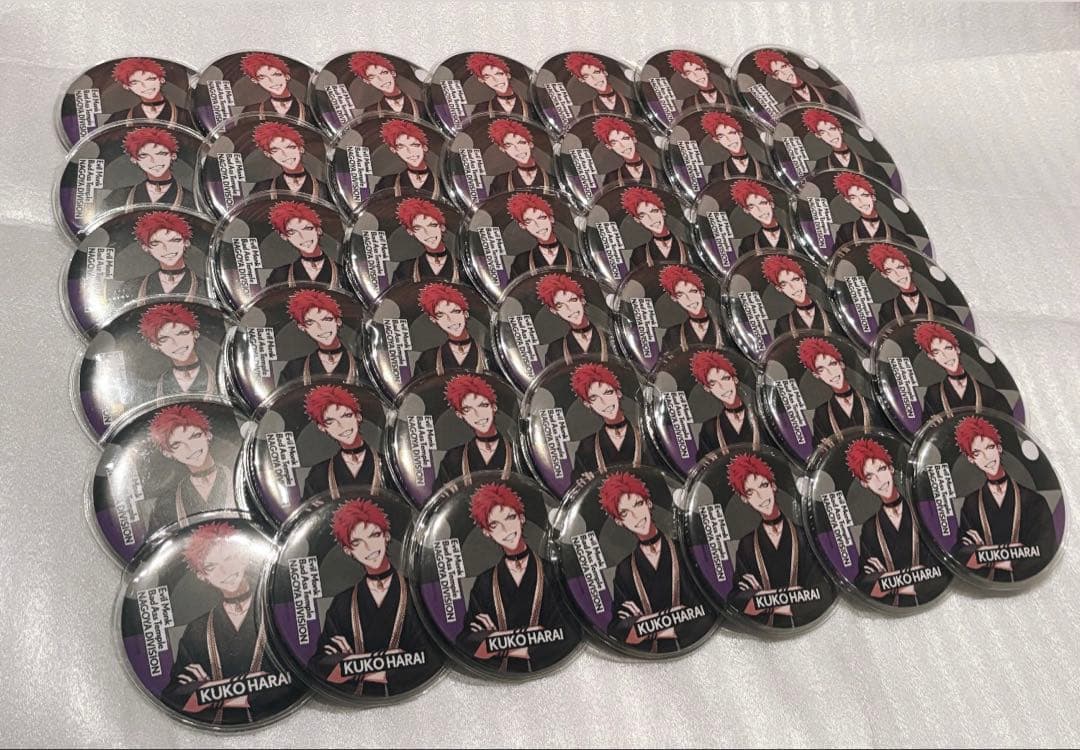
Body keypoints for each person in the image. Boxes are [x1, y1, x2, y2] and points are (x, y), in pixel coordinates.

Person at [161, 522, 297, 724]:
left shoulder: (280, 610)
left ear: (244, 556)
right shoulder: (198, 629)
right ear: (202, 576)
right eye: (211, 567)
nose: (224, 571)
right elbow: (175, 696)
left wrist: (212, 692)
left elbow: (297, 678)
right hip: (213, 733)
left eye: (229, 558)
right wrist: (248, 691)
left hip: (285, 724)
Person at [310, 499, 437, 695]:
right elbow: (320, 665)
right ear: (348, 550)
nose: (369, 547)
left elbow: (431, 657)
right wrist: (387, 665)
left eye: (374, 535)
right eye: (357, 543)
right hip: (356, 704)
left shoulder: (417, 592)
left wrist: (355, 666)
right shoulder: (342, 603)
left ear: (386, 536)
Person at [456, 483, 577, 672]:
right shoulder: (485, 582)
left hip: (554, 670)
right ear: (487, 532)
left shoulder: (553, 572)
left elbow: (568, 633)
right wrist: (527, 640)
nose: (505, 529)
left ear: (521, 518)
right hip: (499, 676)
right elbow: (467, 642)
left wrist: (498, 643)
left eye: (510, 517)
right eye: (494, 525)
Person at [600, 472, 709, 653]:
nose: (636, 516)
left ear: (649, 503)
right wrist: (669, 625)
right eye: (625, 513)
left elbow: (705, 608)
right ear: (619, 521)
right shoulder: (625, 569)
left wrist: (646, 626)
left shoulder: (684, 550)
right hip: (650, 656)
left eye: (638, 504)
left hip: (700, 648)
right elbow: (619, 629)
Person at [727, 453, 831, 628]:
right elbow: (738, 599)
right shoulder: (747, 545)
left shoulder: (804, 535)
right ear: (745, 499)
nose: (761, 496)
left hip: (810, 625)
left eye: (763, 485)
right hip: (766, 630)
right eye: (751, 492)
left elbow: (822, 591)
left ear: (773, 485)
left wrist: (766, 601)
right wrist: (789, 599)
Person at [952, 416, 1058, 583]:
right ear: (971, 459)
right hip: (985, 585)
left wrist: (986, 554)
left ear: (999, 448)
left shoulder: (1034, 501)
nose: (987, 457)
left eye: (990, 447)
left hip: (1027, 580)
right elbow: (963, 553)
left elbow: (1044, 550)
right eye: (977, 453)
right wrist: (1006, 556)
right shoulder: (971, 503)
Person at [846, 438, 948, 606]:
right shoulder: (870, 528)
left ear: (891, 468)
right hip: (893, 607)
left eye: (882, 469)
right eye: (870, 476)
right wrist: (911, 581)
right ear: (864, 483)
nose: (879, 480)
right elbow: (865, 583)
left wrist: (889, 581)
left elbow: (942, 568)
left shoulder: (922, 511)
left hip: (934, 602)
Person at [146, 404, 238, 531]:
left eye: (195, 436)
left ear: (208, 435)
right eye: (177, 445)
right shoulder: (166, 504)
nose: (190, 448)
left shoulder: (242, 475)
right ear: (167, 453)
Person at [301, 385, 383, 501]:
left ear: (358, 416)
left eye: (346, 416)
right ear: (322, 427)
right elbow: (308, 510)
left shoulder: (388, 466)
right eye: (330, 422)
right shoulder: (319, 474)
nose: (342, 426)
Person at [914, 322, 1011, 419]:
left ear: (957, 349)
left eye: (948, 348)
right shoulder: (933, 393)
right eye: (937, 352)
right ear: (931, 357)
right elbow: (926, 423)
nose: (945, 356)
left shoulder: (990, 394)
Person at [436, 374, 513, 486]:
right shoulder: (454, 458)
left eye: (483, 405)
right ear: (460, 415)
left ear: (494, 407)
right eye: (467, 409)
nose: (478, 414)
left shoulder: (518, 453)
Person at [571, 362, 645, 474]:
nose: (604, 402)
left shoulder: (645, 435)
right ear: (587, 404)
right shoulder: (587, 445)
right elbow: (577, 479)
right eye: (594, 398)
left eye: (608, 392)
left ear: (618, 393)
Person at [797, 337, 873, 444]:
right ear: (817, 375)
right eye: (821, 370)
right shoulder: (821, 414)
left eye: (832, 364)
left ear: (841, 364)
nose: (830, 373)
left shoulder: (871, 402)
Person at [867, 243, 958, 329]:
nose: (898, 274)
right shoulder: (887, 309)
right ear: (884, 275)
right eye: (889, 271)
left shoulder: (941, 310)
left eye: (900, 267)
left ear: (909, 268)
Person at [278, 289, 359, 385]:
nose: (321, 328)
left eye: (326, 319)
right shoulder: (294, 369)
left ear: (338, 321)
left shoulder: (363, 367)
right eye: (311, 322)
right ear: (302, 327)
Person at [690, 349, 759, 460]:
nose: (722, 387)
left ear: (735, 380)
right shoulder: (710, 428)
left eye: (725, 378)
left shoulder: (760, 415)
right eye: (713, 383)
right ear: (707, 389)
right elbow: (702, 465)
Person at [139, 302, 217, 397]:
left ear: (195, 334)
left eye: (182, 333)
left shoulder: (219, 373)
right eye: (164, 339)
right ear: (155, 346)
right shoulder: (156, 385)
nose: (177, 343)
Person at [126, 210, 206, 301]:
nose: (167, 249)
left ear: (186, 242)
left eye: (175, 240)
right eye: (156, 243)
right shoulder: (133, 286)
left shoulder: (205, 287)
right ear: (146, 248)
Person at [414, 283, 488, 375]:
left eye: (455, 311)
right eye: (441, 315)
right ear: (434, 320)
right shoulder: (428, 359)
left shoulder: (490, 358)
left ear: (465, 314)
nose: (450, 319)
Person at [265, 201, 343, 288]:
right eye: (292, 232)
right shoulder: (280, 275)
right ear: (284, 237)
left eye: (307, 228)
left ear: (318, 230)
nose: (302, 237)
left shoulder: (343, 273)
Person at [112, 127, 194, 210]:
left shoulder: (191, 199)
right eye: (144, 155)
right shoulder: (120, 196)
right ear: (134, 160)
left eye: (161, 153)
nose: (154, 161)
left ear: (173, 156)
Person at [536, 273, 608, 366]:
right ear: (554, 311)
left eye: (572, 300)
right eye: (560, 306)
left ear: (582, 300)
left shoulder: (610, 338)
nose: (569, 309)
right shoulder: (556, 349)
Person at [801, 109, 888, 183]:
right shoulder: (822, 164)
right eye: (823, 132)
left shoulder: (872, 167)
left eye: (832, 129)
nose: (830, 135)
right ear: (818, 136)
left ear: (840, 129)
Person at [250, 121, 327, 202]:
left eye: (290, 147)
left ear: (301, 148)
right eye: (275, 150)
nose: (285, 154)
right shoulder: (263, 187)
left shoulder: (323, 188)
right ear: (268, 154)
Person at [832, 172, 911, 248]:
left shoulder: (898, 236)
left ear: (873, 197)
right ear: (848, 200)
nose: (860, 201)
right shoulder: (846, 231)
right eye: (853, 198)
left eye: (865, 195)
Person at [392, 197, 461, 283]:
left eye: (432, 225)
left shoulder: (463, 267)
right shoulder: (406, 268)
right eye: (418, 228)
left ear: (442, 227)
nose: (427, 233)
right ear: (411, 232)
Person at [506, 193, 575, 278]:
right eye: (529, 222)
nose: (538, 225)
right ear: (523, 226)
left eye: (542, 218)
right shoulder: (521, 261)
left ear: (551, 218)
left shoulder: (575, 257)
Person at [760, 254, 831, 336]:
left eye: (795, 279)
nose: (793, 287)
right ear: (779, 289)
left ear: (804, 280)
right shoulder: (783, 324)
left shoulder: (831, 318)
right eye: (784, 284)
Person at [658, 264, 723, 351]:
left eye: (693, 291)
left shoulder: (725, 329)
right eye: (680, 295)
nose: (689, 299)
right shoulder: (673, 334)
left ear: (702, 293)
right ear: (675, 299)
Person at [108, 57, 188, 126]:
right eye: (135, 82)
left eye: (150, 79)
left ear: (161, 79)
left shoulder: (186, 117)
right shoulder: (119, 118)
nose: (145, 86)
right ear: (126, 86)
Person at [621, 187, 689, 266]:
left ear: (663, 212)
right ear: (637, 220)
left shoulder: (689, 249)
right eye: (643, 216)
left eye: (654, 211)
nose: (651, 219)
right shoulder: (639, 254)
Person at [376, 119, 440, 198]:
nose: (410, 152)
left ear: (424, 147)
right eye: (401, 147)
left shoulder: (443, 185)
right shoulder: (387, 183)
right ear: (394, 150)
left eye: (414, 145)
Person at [239, 51, 309, 122]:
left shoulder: (308, 111)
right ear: (255, 81)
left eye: (276, 74)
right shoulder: (251, 111)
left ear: (286, 76)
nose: (272, 81)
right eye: (263, 77)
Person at [348, 52, 421, 118]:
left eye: (383, 73)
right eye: (372, 77)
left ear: (393, 73)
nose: (381, 79)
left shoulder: (421, 105)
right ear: (367, 81)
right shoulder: (370, 111)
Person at [592, 117, 659, 188]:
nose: (622, 146)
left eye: (625, 138)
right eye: (614, 143)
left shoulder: (658, 173)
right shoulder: (612, 177)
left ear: (634, 139)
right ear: (609, 147)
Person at [487, 119, 551, 193]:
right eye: (509, 145)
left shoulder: (552, 180)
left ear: (530, 144)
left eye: (521, 142)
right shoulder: (500, 181)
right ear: (503, 149)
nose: (517, 149)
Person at [700, 110, 765, 181]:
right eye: (721, 136)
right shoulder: (717, 170)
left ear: (740, 134)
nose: (729, 139)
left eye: (731, 133)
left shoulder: (764, 167)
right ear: (716, 140)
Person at [730, 179, 791, 253]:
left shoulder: (793, 236)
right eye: (752, 207)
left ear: (771, 204)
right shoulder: (748, 243)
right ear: (747, 211)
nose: (760, 210)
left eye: (762, 203)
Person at [751, 49, 828, 108]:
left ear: (790, 66)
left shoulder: (826, 92)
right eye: (777, 72)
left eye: (783, 67)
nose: (785, 73)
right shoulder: (789, 103)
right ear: (775, 77)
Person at [564, 52, 632, 117]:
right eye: (587, 76)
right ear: (582, 80)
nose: (594, 78)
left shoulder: (631, 103)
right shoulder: (587, 108)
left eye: (596, 72)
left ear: (605, 72)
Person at [466, 52, 530, 117]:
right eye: (488, 77)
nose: (495, 80)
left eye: (499, 74)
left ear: (508, 75)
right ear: (482, 80)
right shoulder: (481, 109)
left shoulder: (530, 107)